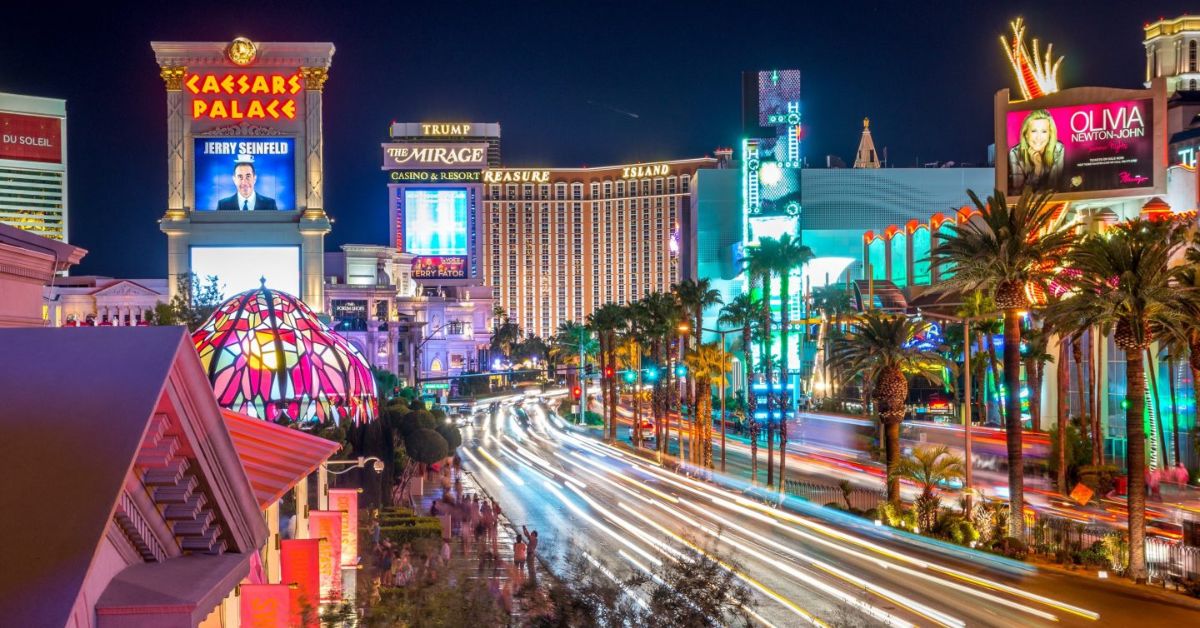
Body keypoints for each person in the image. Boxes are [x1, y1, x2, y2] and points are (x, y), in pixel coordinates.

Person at [1008, 109, 1065, 194]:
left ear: (1050, 135)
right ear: (1026, 134)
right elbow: (1019, 194)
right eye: (1034, 131)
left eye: (1044, 131)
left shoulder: (1058, 149)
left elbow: (1054, 188)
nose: (1039, 137)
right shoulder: (1015, 153)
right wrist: (1037, 170)